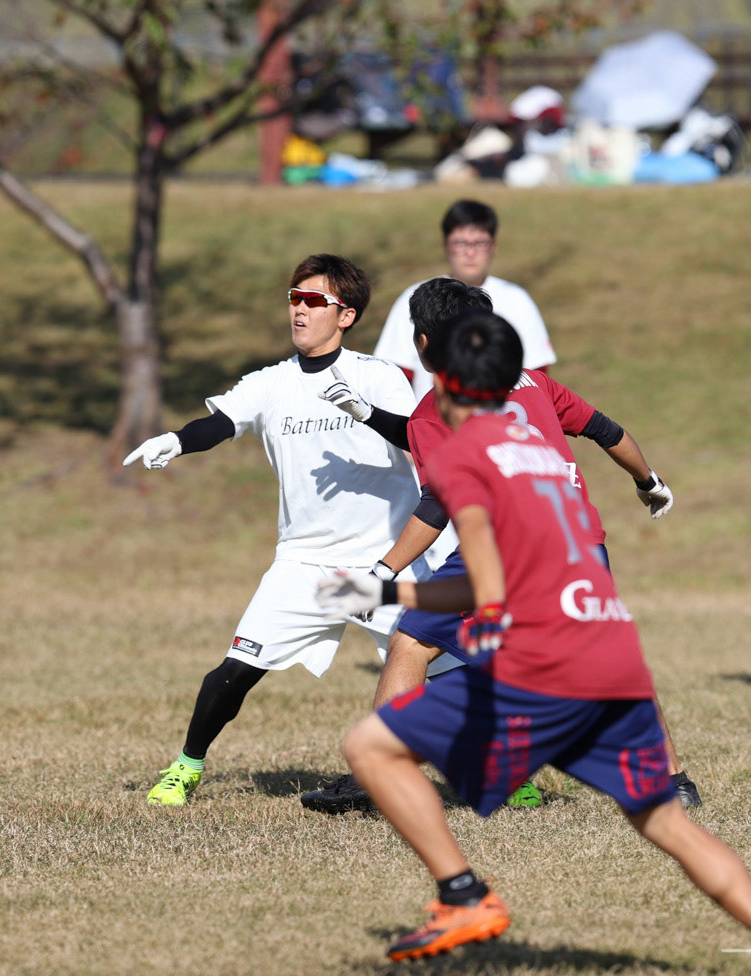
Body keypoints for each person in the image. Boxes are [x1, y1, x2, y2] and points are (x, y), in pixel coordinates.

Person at [314, 312, 751, 976]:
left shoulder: (469, 456)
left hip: (547, 666)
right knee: (666, 823)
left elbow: (484, 585)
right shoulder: (547, 456)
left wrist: (382, 589)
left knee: (371, 747)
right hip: (612, 659)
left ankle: (463, 894)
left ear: (452, 385)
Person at [300, 277, 700, 814]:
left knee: (411, 645)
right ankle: (673, 782)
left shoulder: (437, 407)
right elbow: (607, 431)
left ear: (423, 344)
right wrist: (648, 481)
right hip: (577, 541)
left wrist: (382, 571)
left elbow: (438, 502)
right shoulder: (533, 382)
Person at [121, 254, 425, 806]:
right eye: (294, 298)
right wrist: (177, 440)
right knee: (235, 670)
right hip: (304, 562)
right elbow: (220, 422)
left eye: (314, 300)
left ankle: (511, 773)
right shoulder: (271, 382)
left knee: (452, 672)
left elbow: (418, 438)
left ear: (346, 316)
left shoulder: (378, 376)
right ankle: (186, 768)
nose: (299, 310)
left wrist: (365, 412)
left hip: (387, 559)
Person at [372, 199, 555, 398]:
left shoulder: (517, 300)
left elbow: (536, 374)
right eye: (460, 243)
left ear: (493, 246)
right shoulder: (418, 296)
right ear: (445, 245)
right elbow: (395, 373)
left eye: (480, 243)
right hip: (432, 413)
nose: (470, 252)